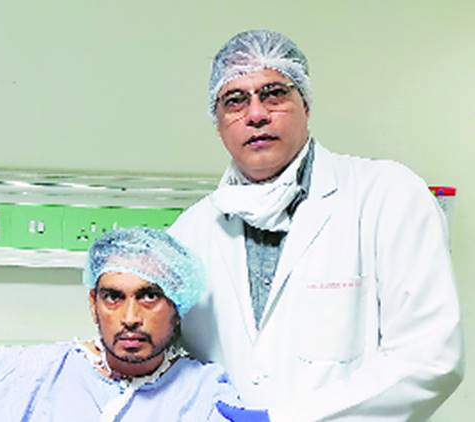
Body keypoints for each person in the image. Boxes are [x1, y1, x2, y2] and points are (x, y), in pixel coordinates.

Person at [169, 29, 464, 421]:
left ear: (305, 104)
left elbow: (431, 357)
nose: (256, 114)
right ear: (218, 122)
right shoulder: (188, 235)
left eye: (274, 93)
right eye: (235, 100)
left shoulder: (388, 195)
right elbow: (163, 359)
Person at [0, 227, 250, 422]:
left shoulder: (203, 393)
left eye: (149, 296)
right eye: (113, 297)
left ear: (177, 305)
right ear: (93, 304)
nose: (130, 318)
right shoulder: (35, 373)